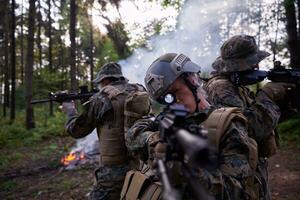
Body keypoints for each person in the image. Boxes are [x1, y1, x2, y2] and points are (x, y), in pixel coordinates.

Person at [121, 53, 260, 199]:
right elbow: (132, 137)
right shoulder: (167, 120)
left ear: (192, 79)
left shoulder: (227, 125)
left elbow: (235, 191)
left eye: (175, 92)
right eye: (167, 99)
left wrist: (183, 170)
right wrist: (155, 142)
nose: (175, 103)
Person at [203, 35, 294, 199]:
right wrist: (268, 96)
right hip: (236, 178)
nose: (256, 65)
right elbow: (248, 129)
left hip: (250, 173)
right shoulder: (220, 88)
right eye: (252, 62)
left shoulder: (236, 85)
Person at [61, 62, 151, 200]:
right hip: (139, 167)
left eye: (100, 83)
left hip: (113, 174)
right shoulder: (138, 90)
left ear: (105, 80)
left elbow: (77, 131)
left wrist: (69, 110)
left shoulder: (101, 98)